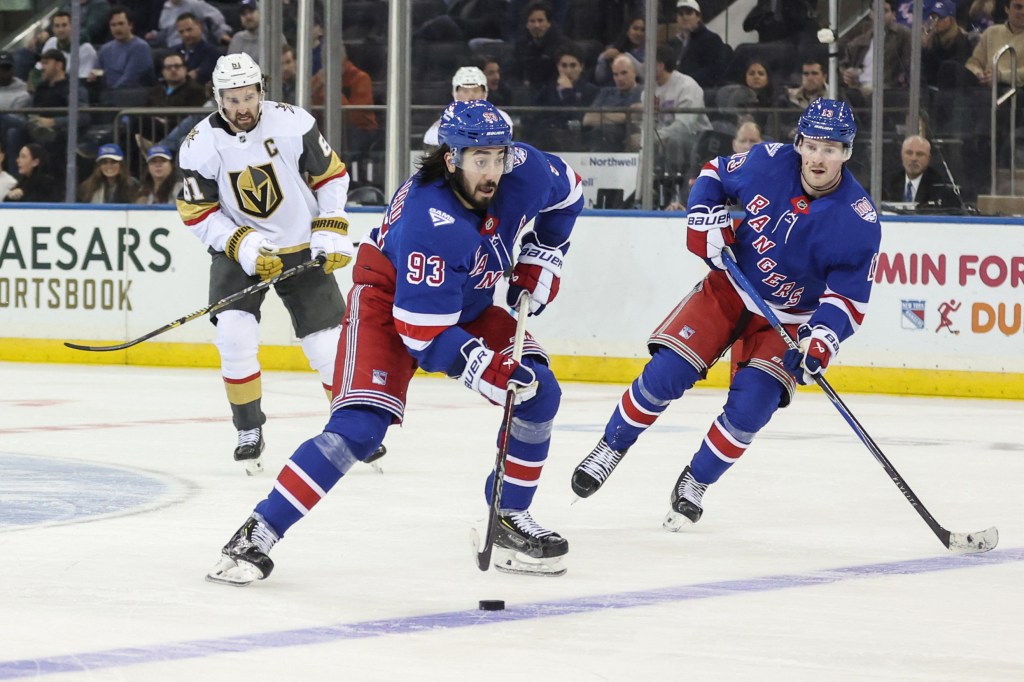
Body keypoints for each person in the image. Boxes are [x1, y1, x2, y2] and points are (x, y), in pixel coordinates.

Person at [205, 99, 584, 586]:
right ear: (451, 158)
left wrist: (546, 252)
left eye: (498, 157)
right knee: (359, 429)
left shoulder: (524, 170)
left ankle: (508, 519)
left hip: (465, 302)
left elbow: (570, 193)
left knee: (539, 390)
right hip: (389, 309)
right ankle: (258, 532)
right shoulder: (432, 220)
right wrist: (484, 368)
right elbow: (421, 334)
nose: (493, 171)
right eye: (479, 160)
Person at [571, 99, 881, 532]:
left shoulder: (859, 221)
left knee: (751, 410)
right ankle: (610, 447)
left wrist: (821, 341)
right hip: (731, 288)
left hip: (788, 321)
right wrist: (704, 216)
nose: (818, 158)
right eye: (811, 146)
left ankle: (695, 481)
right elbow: (714, 174)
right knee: (666, 374)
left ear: (847, 153)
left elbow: (847, 299)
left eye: (830, 149)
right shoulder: (768, 161)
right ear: (798, 143)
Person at [176, 53, 360, 475]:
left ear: (261, 91)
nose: (242, 108)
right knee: (235, 335)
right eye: (232, 99)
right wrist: (242, 244)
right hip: (240, 250)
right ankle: (247, 429)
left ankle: (351, 430)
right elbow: (197, 212)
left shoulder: (293, 123)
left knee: (327, 345)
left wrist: (329, 228)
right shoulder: (198, 144)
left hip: (300, 244)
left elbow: (331, 177)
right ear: (217, 98)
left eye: (248, 96)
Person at [422, 66, 513, 149]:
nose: (470, 96)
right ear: (455, 93)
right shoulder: (444, 121)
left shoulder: (501, 117)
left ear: (484, 93)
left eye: (475, 90)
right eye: (465, 91)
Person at [531, 42, 599, 149]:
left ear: (581, 67)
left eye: (573, 65)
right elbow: (535, 115)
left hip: (579, 142)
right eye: (564, 65)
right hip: (548, 140)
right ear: (558, 66)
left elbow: (578, 117)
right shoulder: (547, 90)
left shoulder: (591, 91)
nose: (568, 71)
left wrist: (568, 91)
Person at [839, 0, 912, 98]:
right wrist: (846, 73)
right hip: (859, 91)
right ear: (870, 13)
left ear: (893, 14)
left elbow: (908, 69)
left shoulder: (903, 35)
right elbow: (844, 66)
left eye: (885, 11)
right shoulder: (859, 40)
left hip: (890, 93)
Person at [582, 53, 642, 152]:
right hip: (603, 141)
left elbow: (636, 116)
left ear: (634, 72)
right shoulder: (606, 92)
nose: (620, 78)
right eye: (616, 74)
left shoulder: (643, 92)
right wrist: (624, 116)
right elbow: (587, 119)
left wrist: (603, 113)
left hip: (628, 140)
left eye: (624, 73)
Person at [883, 135, 958, 208]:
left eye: (920, 154)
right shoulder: (888, 182)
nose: (913, 158)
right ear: (902, 155)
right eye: (909, 153)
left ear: (928, 159)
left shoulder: (940, 187)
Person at [668, 0, 729, 89]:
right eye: (680, 14)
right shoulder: (672, 43)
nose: (684, 17)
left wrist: (685, 80)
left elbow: (714, 70)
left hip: (699, 89)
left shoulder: (711, 39)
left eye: (689, 13)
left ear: (698, 16)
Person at [92, 6, 155, 89]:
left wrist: (111, 93)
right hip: (107, 95)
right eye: (113, 25)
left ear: (130, 25)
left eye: (121, 24)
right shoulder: (105, 49)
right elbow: (98, 72)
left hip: (131, 95)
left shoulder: (141, 47)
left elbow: (130, 79)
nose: (117, 28)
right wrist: (93, 77)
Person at [508, 0, 565, 88]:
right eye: (532, 21)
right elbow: (512, 73)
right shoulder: (520, 45)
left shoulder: (562, 45)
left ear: (549, 23)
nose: (536, 25)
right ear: (527, 24)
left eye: (540, 21)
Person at [922, 0, 973, 89]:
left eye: (941, 18)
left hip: (952, 90)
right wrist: (923, 47)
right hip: (931, 89)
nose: (936, 22)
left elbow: (959, 70)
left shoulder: (961, 41)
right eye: (934, 17)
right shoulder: (932, 41)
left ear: (951, 19)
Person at [594, 13, 645, 87]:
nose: (639, 33)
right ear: (627, 30)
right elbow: (600, 78)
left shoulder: (650, 52)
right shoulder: (614, 48)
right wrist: (603, 57)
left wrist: (626, 57)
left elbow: (645, 76)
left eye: (643, 30)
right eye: (635, 28)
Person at [176, 12, 220, 86]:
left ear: (200, 27)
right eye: (181, 32)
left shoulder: (211, 52)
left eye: (189, 30)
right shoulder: (175, 52)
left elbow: (201, 76)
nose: (186, 35)